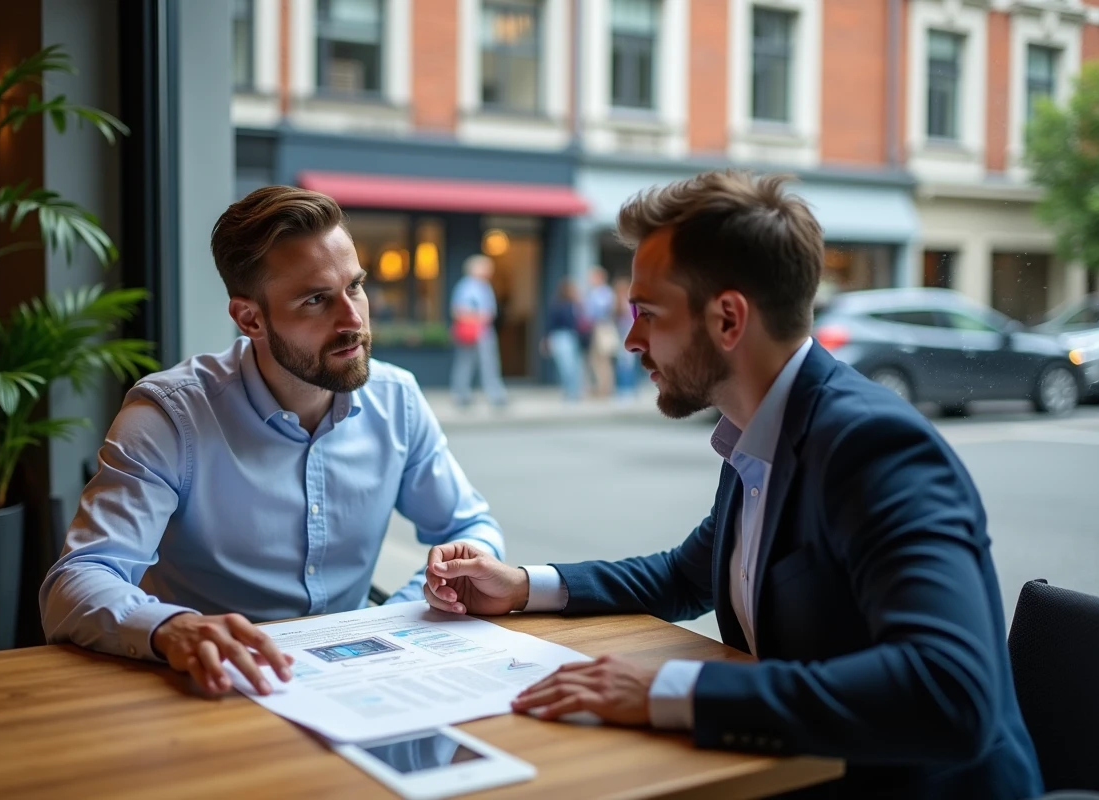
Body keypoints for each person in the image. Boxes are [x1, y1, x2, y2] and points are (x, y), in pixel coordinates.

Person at [420, 171, 1043, 799]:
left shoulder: (873, 446)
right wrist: (523, 586)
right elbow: (685, 576)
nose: (631, 339)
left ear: (727, 319)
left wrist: (667, 691)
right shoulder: (760, 426)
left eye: (648, 313)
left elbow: (949, 691)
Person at [40, 186, 505, 698]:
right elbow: (76, 581)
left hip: (359, 682)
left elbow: (470, 527)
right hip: (215, 691)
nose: (353, 320)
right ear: (250, 319)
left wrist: (405, 610)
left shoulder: (397, 400)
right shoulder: (169, 417)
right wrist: (169, 628)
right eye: (316, 300)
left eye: (355, 287)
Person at [449, 255, 507, 408]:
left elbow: (491, 311)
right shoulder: (466, 287)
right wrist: (477, 318)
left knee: (488, 364)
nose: (488, 271)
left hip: (483, 332)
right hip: (472, 332)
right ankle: (462, 395)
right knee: (466, 363)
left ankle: (494, 395)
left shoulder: (484, 286)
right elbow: (458, 311)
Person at [542, 278, 585, 402]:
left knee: (574, 366)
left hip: (572, 337)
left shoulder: (574, 305)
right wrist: (547, 339)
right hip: (561, 337)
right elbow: (550, 323)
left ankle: (573, 392)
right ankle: (569, 392)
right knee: (566, 366)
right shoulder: (558, 305)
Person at [582, 266, 618, 398]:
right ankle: (600, 388)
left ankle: (605, 389)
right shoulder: (594, 292)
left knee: (603, 360)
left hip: (601, 328)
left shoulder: (604, 293)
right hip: (594, 329)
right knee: (594, 360)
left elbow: (601, 311)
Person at [612, 276, 638, 400]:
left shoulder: (630, 301)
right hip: (620, 334)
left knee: (628, 363)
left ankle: (628, 390)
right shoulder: (617, 301)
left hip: (628, 333)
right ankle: (623, 389)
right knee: (622, 363)